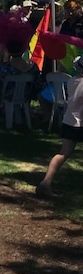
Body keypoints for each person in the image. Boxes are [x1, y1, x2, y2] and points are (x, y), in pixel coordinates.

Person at [37, 56, 83, 199]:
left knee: (63, 153)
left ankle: (46, 182)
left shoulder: (72, 81)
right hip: (81, 123)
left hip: (68, 121)